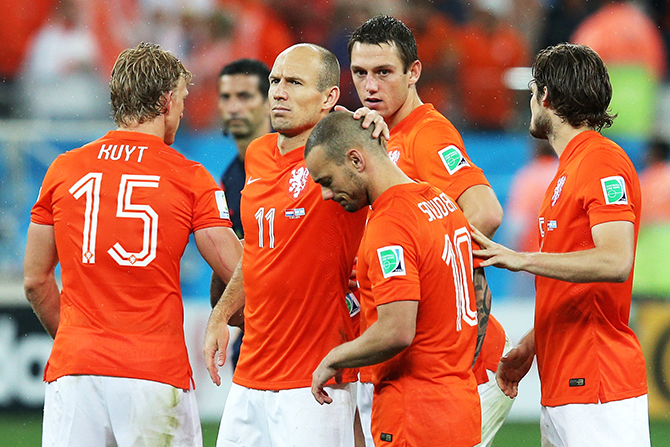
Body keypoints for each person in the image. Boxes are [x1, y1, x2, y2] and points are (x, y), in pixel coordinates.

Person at [23, 42, 243, 446]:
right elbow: (245, 272)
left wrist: (80, 343)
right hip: (152, 374)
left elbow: (36, 281)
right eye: (180, 99)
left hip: (75, 374)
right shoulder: (189, 177)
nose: (181, 110)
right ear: (164, 101)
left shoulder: (64, 168)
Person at [203, 43, 385, 447]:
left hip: (315, 379)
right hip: (249, 374)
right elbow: (257, 247)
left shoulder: (347, 158)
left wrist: (372, 129)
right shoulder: (258, 154)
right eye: (275, 81)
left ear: (329, 97)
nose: (279, 92)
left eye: (294, 82)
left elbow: (397, 194)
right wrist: (221, 314)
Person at [472, 43, 651, 446]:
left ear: (546, 97)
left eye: (534, 92)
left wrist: (520, 259)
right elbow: (577, 283)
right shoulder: (568, 171)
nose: (530, 104)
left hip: (599, 384)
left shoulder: (601, 161)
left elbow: (615, 260)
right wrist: (532, 343)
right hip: (567, 385)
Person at [347, 15, 511, 447]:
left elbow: (485, 211)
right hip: (421, 363)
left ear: (414, 72)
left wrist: (430, 274)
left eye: (383, 72)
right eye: (360, 73)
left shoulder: (427, 134)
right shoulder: (380, 137)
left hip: (452, 362)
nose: (370, 86)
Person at [308, 110, 481, 446]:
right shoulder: (439, 201)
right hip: (458, 405)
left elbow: (397, 330)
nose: (327, 195)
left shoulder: (391, 224)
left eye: (327, 181)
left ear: (356, 160)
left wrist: (334, 358)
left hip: (413, 414)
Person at [217, 58, 271, 239]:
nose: (232, 108)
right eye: (225, 97)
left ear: (269, 102)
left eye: (244, 96)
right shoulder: (229, 179)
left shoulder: (297, 165)